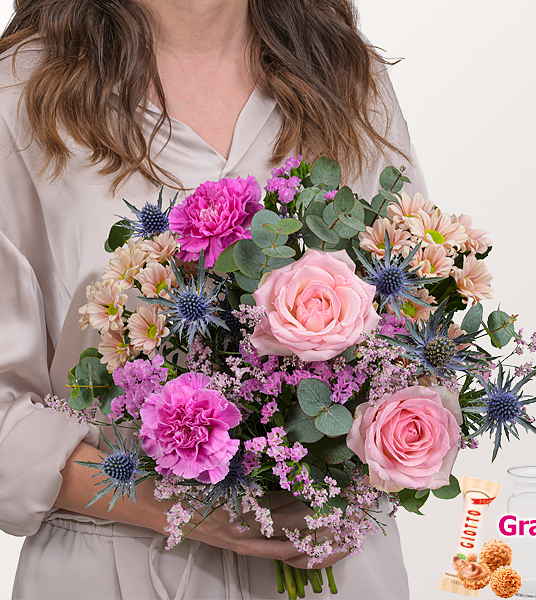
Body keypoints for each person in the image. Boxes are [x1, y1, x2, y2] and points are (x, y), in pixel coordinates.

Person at [0, 1, 427, 598]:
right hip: (112, 570)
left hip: (335, 564)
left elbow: (414, 326)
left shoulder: (346, 74)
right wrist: (172, 504)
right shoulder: (22, 94)